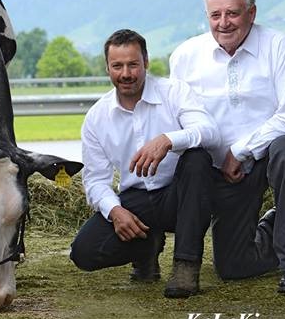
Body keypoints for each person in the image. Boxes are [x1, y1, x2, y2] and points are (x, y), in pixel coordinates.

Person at [170, 0, 285, 293]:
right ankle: (276, 225)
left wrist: (243, 149)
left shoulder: (279, 46)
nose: (224, 23)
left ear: (252, 12)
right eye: (215, 15)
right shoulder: (185, 57)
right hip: (222, 168)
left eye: (233, 13)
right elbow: (181, 119)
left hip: (268, 155)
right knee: (234, 267)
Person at [70, 29, 220, 298]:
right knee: (84, 252)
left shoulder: (174, 92)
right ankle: (147, 247)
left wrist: (168, 140)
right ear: (107, 68)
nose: (126, 73)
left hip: (179, 196)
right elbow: (94, 181)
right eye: (117, 66)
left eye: (133, 64)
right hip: (136, 199)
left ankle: (186, 266)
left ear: (146, 62)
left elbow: (210, 132)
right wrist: (115, 212)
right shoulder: (96, 117)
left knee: (198, 158)